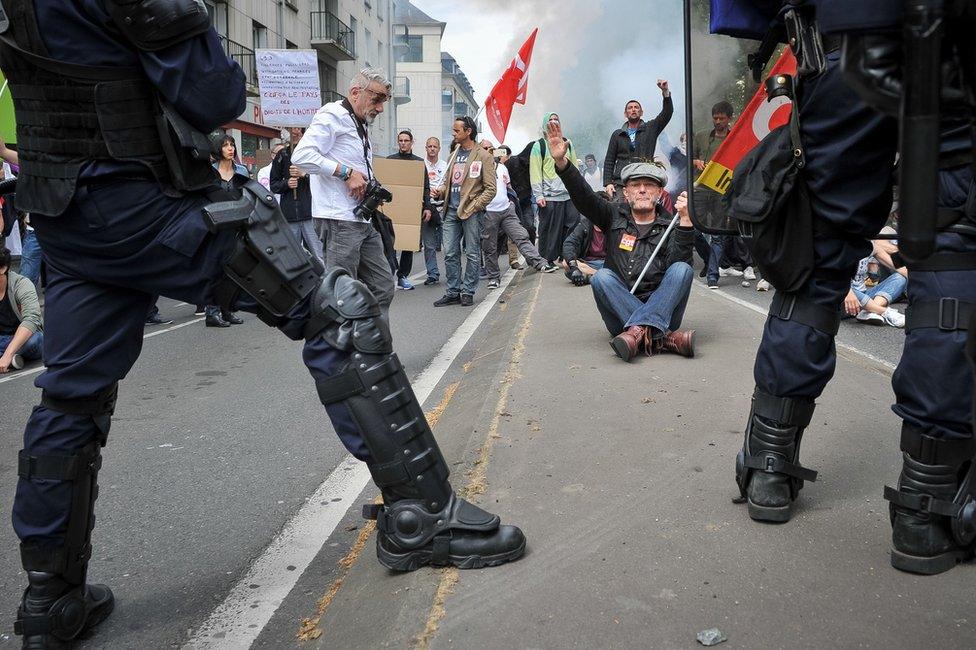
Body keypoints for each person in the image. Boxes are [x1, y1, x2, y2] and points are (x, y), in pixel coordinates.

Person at [0, 10, 523, 647]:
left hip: (64, 217)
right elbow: (213, 94)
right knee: (339, 313)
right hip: (145, 201)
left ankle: (50, 602)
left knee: (70, 396)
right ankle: (424, 516)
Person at [712, 0, 976, 576]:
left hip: (842, 50)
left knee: (819, 258)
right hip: (952, 46)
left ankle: (769, 464)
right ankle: (925, 508)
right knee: (955, 255)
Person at [547, 120, 696, 362]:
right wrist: (563, 164)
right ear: (625, 193)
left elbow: (677, 266)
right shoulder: (611, 215)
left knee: (682, 270)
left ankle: (639, 332)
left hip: (663, 306)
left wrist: (687, 223)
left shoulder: (671, 223)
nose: (642, 190)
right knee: (602, 277)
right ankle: (663, 337)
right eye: (635, 185)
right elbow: (584, 197)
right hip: (619, 308)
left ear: (660, 194)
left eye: (649, 185)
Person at [292, 68, 396, 315]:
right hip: (338, 219)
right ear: (355, 92)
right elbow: (301, 156)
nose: (380, 108)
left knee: (383, 286)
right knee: (341, 295)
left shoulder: (358, 122)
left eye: (384, 101)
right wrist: (346, 173)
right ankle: (343, 351)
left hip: (360, 218)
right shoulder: (333, 114)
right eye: (377, 99)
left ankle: (374, 348)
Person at [431, 117, 496, 307]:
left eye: (457, 130)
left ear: (468, 131)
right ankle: (453, 291)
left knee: (473, 253)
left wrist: (475, 205)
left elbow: (490, 189)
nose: (453, 133)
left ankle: (468, 291)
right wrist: (441, 191)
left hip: (471, 212)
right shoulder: (453, 154)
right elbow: (448, 183)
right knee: (450, 252)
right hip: (450, 210)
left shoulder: (484, 156)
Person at [479, 140, 557, 289]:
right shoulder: (477, 168)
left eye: (491, 148)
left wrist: (512, 203)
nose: (489, 151)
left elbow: (508, 187)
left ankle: (539, 263)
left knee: (522, 235)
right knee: (490, 246)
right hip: (489, 212)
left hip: (507, 209)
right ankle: (494, 277)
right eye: (485, 148)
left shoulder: (502, 167)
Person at [204, 134, 248, 328]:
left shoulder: (242, 171)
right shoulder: (209, 172)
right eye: (225, 145)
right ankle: (212, 312)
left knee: (233, 269)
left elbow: (248, 196)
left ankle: (227, 309)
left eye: (232, 145)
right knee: (215, 269)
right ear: (218, 149)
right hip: (215, 226)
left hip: (236, 225)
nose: (230, 148)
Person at [603, 81, 674, 198]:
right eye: (630, 108)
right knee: (621, 214)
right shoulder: (617, 134)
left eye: (636, 107)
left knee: (643, 212)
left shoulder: (650, 128)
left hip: (644, 180)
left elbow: (667, 113)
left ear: (641, 112)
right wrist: (608, 183)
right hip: (621, 183)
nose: (633, 109)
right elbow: (609, 160)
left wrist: (665, 92)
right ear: (625, 114)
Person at [531, 113, 582, 262]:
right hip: (549, 196)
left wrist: (578, 189)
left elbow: (575, 167)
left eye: (556, 120)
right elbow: (534, 172)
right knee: (551, 229)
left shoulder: (567, 143)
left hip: (568, 194)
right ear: (545, 124)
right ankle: (547, 259)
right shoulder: (539, 146)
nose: (554, 122)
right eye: (550, 120)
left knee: (572, 225)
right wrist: (539, 195)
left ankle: (567, 256)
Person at [387, 130, 433, 291]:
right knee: (389, 243)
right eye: (400, 140)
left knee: (407, 244)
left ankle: (402, 276)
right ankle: (388, 274)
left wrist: (427, 207)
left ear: (412, 142)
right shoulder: (390, 161)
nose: (403, 143)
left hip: (411, 208)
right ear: (397, 142)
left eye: (406, 140)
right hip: (392, 208)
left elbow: (426, 187)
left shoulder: (418, 163)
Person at [271, 127, 324, 264]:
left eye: (297, 129)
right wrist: (287, 184)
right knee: (292, 259)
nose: (294, 132)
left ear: (302, 130)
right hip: (289, 216)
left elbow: (323, 181)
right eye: (291, 129)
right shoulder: (282, 155)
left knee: (319, 256)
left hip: (311, 214)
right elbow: (274, 185)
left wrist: (304, 175)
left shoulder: (314, 154)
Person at [0, 247, 43, 373]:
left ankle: (7, 357)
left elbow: (31, 320)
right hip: (2, 339)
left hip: (25, 338)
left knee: (35, 340)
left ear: (3, 268)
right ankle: (13, 359)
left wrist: (7, 354)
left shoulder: (22, 284)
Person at [423, 136, 447, 285]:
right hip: (427, 208)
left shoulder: (445, 165)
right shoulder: (420, 165)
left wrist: (440, 192)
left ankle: (453, 273)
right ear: (426, 148)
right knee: (429, 245)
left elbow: (449, 186)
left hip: (443, 207)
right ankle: (432, 273)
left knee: (449, 244)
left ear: (439, 148)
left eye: (435, 146)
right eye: (429, 146)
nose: (432, 149)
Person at [561, 216, 607, 285]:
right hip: (588, 264)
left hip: (608, 263)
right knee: (566, 263)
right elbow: (569, 243)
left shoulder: (614, 225)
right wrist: (574, 267)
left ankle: (590, 277)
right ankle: (602, 277)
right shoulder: (584, 224)